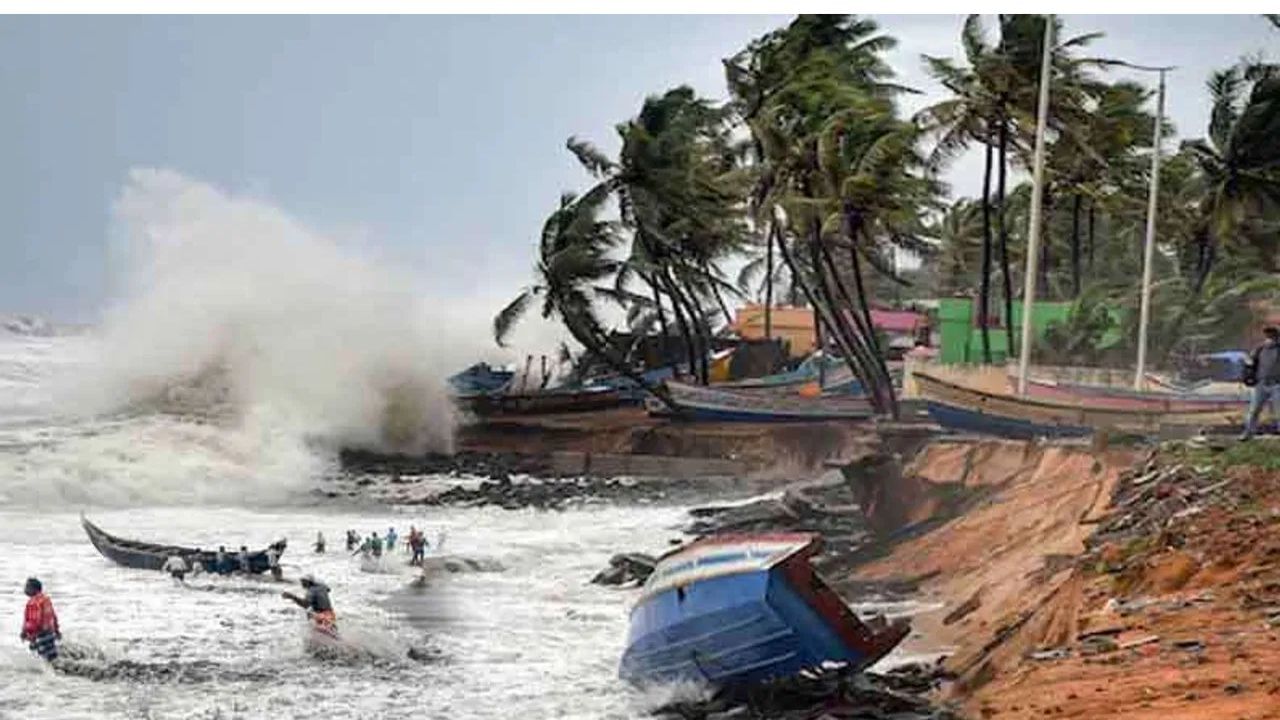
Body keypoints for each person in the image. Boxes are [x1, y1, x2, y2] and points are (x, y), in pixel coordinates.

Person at [1241, 326, 1280, 441]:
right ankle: (1248, 433)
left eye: (1272, 336)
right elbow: (1250, 364)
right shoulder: (1259, 349)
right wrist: (1248, 377)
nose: (1269, 338)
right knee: (1253, 410)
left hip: (1277, 384)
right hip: (1261, 384)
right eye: (1268, 336)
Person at [20, 578, 60, 662]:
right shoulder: (46, 600)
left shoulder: (33, 602)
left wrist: (25, 632)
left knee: (41, 657)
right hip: (50, 632)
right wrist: (56, 630)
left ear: (34, 589)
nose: (24, 589)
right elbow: (53, 616)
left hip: (39, 634)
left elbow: (35, 621)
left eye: (27, 587)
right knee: (52, 656)